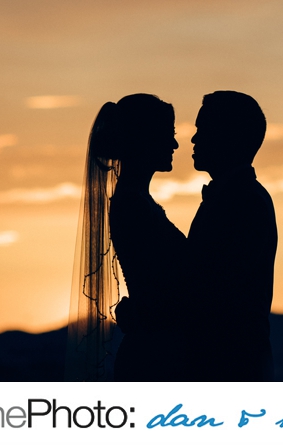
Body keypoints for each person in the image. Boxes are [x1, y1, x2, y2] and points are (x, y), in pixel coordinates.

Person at [65, 93, 186, 381]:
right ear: (145, 138)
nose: (175, 144)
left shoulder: (137, 201)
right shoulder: (133, 204)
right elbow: (161, 288)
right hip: (154, 358)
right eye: (168, 134)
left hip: (156, 350)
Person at [186, 91, 278, 380]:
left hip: (228, 364)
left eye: (203, 130)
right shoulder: (235, 195)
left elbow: (219, 291)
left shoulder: (243, 200)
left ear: (229, 136)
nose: (194, 139)